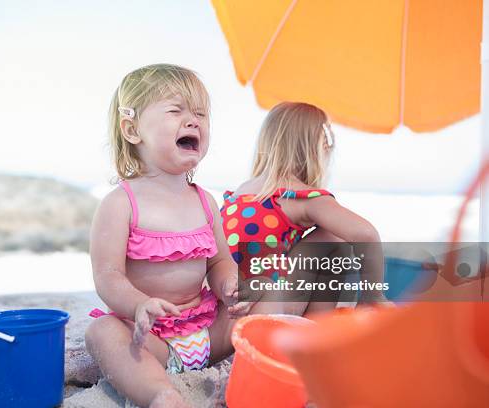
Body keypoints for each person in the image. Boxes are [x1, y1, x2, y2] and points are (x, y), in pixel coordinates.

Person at [85, 64, 284, 408]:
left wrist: (229, 286)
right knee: (101, 333)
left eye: (201, 114)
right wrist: (138, 305)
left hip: (209, 330)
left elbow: (219, 262)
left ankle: (280, 355)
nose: (193, 121)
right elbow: (107, 276)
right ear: (132, 130)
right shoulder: (121, 204)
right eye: (176, 110)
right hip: (150, 338)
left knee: (271, 288)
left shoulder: (205, 201)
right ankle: (160, 393)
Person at [220, 101, 391, 316]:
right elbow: (366, 234)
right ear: (317, 151)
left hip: (225, 309)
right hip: (265, 310)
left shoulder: (239, 193)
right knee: (333, 240)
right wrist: (372, 295)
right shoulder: (302, 197)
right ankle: (315, 329)